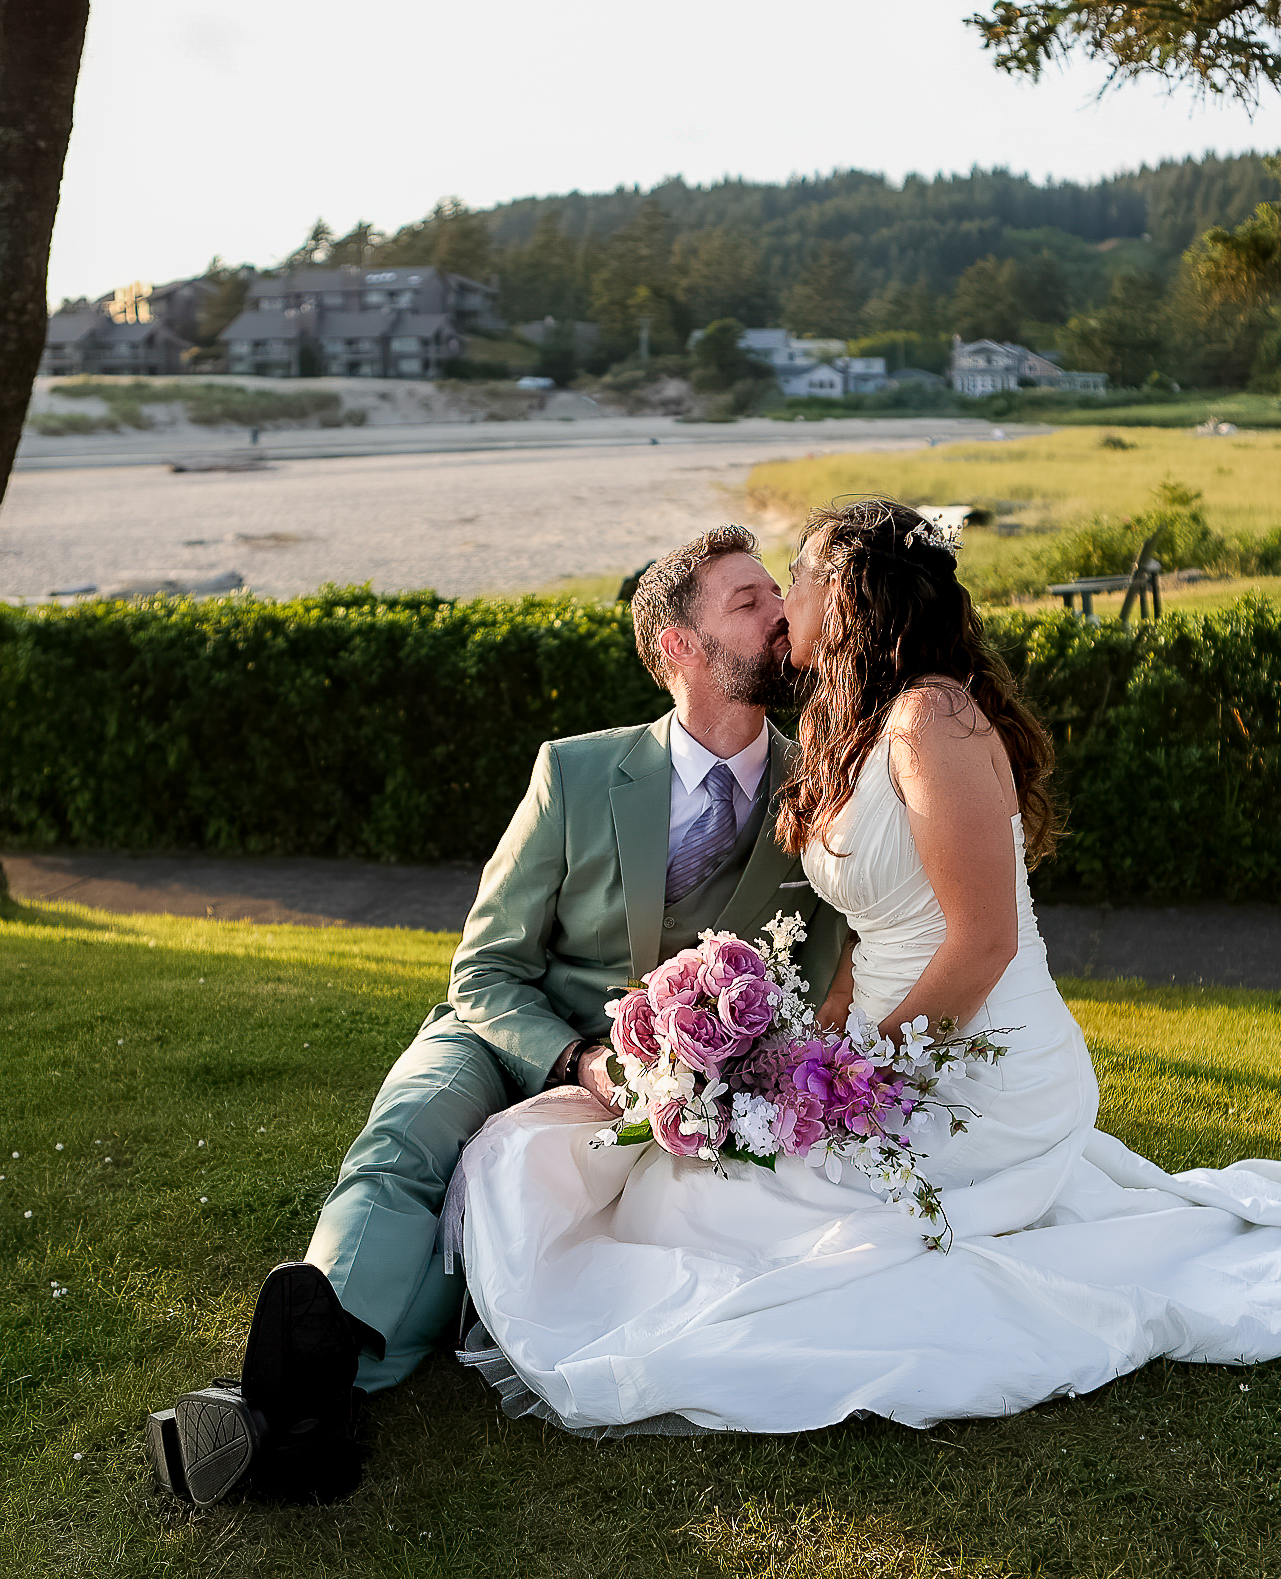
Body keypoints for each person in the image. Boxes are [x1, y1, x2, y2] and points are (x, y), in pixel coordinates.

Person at [444, 497, 1281, 1436]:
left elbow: (984, 941)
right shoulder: (851, 724)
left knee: (730, 1216)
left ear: (846, 595)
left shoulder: (932, 720)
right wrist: (817, 1053)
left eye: (798, 579)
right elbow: (858, 934)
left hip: (982, 1068)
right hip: (894, 1050)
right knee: (702, 1190)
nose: (784, 602)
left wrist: (862, 1077)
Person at [145, 525, 848, 1502]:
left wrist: (701, 1073)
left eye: (779, 595)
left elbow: (820, 975)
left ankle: (298, 1405)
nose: (781, 613)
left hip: (676, 1083)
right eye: (748, 602)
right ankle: (309, 1367)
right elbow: (483, 968)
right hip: (506, 1030)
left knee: (476, 1225)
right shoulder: (574, 772)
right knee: (406, 1141)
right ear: (675, 648)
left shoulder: (819, 792)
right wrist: (575, 1061)